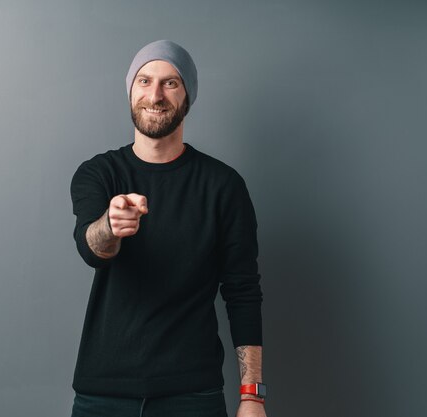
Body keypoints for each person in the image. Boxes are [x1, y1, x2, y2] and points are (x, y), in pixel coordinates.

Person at [70, 40, 266, 417]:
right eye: (144, 81)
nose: (154, 95)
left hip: (193, 395)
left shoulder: (223, 186)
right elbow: (92, 249)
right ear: (131, 90)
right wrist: (110, 226)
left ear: (187, 96)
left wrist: (252, 395)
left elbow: (243, 291)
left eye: (170, 83)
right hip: (103, 394)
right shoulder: (98, 174)